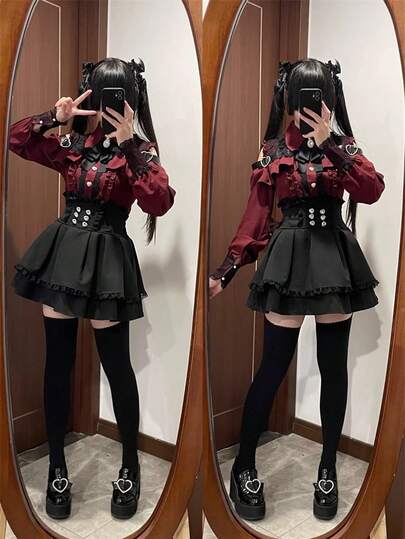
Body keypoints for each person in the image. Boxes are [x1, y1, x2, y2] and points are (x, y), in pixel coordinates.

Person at [209, 58, 384, 521]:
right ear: (289, 99)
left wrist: (331, 145)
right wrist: (228, 267)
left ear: (330, 98)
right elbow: (256, 214)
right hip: (287, 258)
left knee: (333, 369)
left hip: (334, 260)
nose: (309, 105)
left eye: (318, 95)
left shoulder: (344, 146)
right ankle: (244, 465)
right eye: (302, 96)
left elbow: (371, 190)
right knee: (272, 367)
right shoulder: (273, 150)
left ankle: (327, 468)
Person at [8, 57, 176, 520]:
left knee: (117, 367)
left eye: (119, 95)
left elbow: (159, 202)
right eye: (104, 94)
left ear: (133, 98)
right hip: (63, 254)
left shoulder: (139, 150)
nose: (110, 103)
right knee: (57, 366)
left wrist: (131, 144)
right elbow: (18, 140)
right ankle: (57, 467)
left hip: (108, 261)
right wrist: (54, 116)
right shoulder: (74, 144)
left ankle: (129, 465)